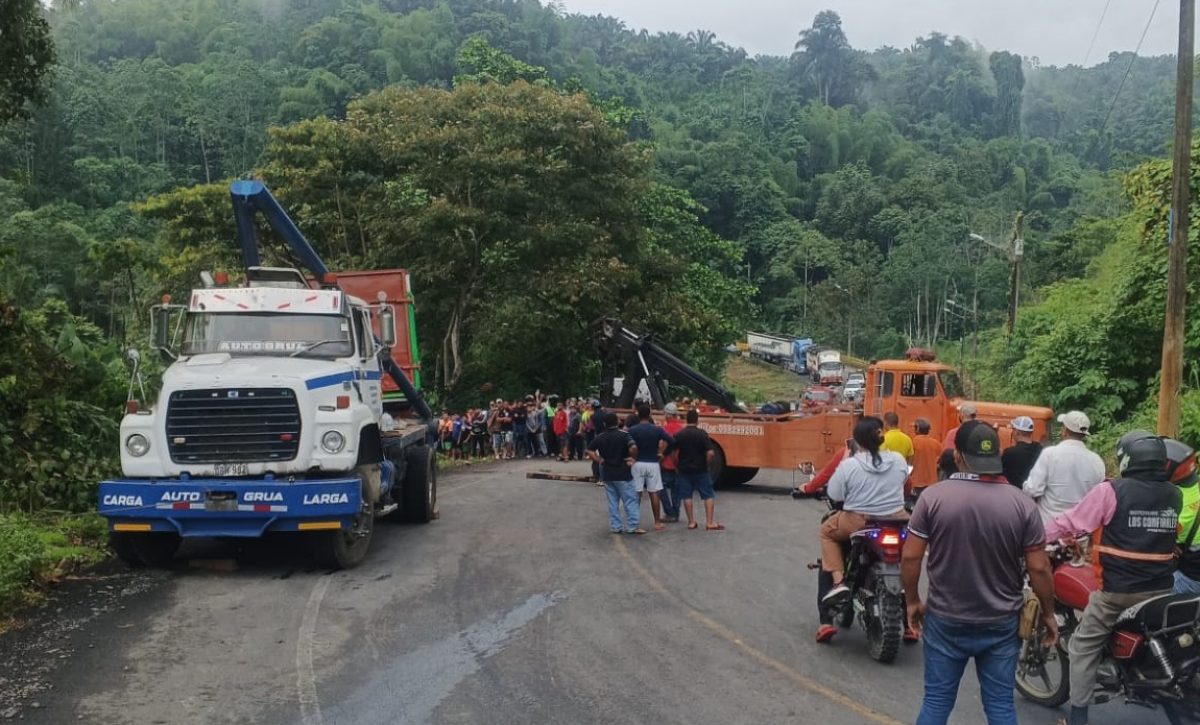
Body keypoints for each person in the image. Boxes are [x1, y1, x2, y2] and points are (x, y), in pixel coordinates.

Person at [902, 420, 1058, 725]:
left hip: (946, 619)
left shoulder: (933, 498)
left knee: (935, 702)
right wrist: (1049, 614)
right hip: (1000, 623)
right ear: (997, 455)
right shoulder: (1022, 504)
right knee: (1000, 708)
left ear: (958, 456)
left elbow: (911, 558)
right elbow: (1039, 567)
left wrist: (912, 601)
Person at [1045, 430, 1181, 725]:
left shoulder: (1111, 491)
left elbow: (1071, 522)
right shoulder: (1175, 494)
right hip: (1162, 590)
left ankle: (1078, 716)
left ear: (1127, 459)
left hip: (1118, 593)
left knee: (1082, 647)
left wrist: (1034, 536)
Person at [817, 416, 908, 640]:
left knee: (827, 532)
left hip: (860, 522)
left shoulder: (850, 464)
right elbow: (904, 482)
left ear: (857, 441)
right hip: (896, 521)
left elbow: (835, 495)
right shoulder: (897, 460)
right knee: (904, 562)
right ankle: (911, 625)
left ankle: (838, 583)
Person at [1023, 410, 1105, 523]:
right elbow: (1099, 497)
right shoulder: (1096, 460)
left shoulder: (1049, 454)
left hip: (1049, 526)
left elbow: (1033, 490)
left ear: (1065, 431)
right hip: (1081, 531)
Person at [587, 413, 642, 534]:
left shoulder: (601, 436)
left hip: (607, 472)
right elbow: (633, 447)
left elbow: (590, 449)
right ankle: (632, 525)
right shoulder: (624, 435)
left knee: (612, 501)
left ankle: (616, 526)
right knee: (630, 500)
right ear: (617, 422)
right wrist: (633, 458)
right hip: (623, 472)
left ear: (605, 424)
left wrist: (598, 459)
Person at [627, 403, 674, 532]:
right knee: (654, 493)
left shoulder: (632, 430)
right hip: (653, 463)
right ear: (649, 415)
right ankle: (657, 522)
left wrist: (630, 457)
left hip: (637, 463)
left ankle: (634, 523)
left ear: (638, 414)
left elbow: (626, 444)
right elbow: (671, 441)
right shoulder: (657, 429)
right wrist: (662, 453)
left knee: (636, 494)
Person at [673, 409, 722, 531]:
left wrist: (677, 465)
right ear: (697, 420)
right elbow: (710, 453)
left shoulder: (680, 434)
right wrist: (707, 464)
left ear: (686, 419)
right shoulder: (702, 434)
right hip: (701, 469)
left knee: (687, 496)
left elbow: (674, 453)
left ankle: (691, 522)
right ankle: (710, 522)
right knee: (708, 495)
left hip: (684, 469)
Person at [1165, 438, 1200, 595]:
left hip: (1191, 578)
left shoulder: (1178, 500)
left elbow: (1158, 538)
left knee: (1140, 603)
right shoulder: (1196, 485)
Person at [659, 402, 685, 523]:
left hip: (668, 462)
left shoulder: (667, 427)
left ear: (669, 415)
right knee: (676, 490)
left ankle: (669, 512)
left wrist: (660, 456)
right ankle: (676, 513)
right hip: (679, 464)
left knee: (661, 488)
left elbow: (664, 444)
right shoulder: (681, 427)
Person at [1000, 415, 1041, 488]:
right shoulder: (1040, 449)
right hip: (1034, 493)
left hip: (1014, 493)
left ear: (1017, 432)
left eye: (1013, 429)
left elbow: (1000, 474)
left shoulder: (1010, 453)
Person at [908, 418, 942, 502]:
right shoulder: (936, 443)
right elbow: (940, 460)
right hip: (932, 482)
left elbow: (909, 462)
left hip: (916, 482)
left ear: (918, 429)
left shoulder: (912, 442)